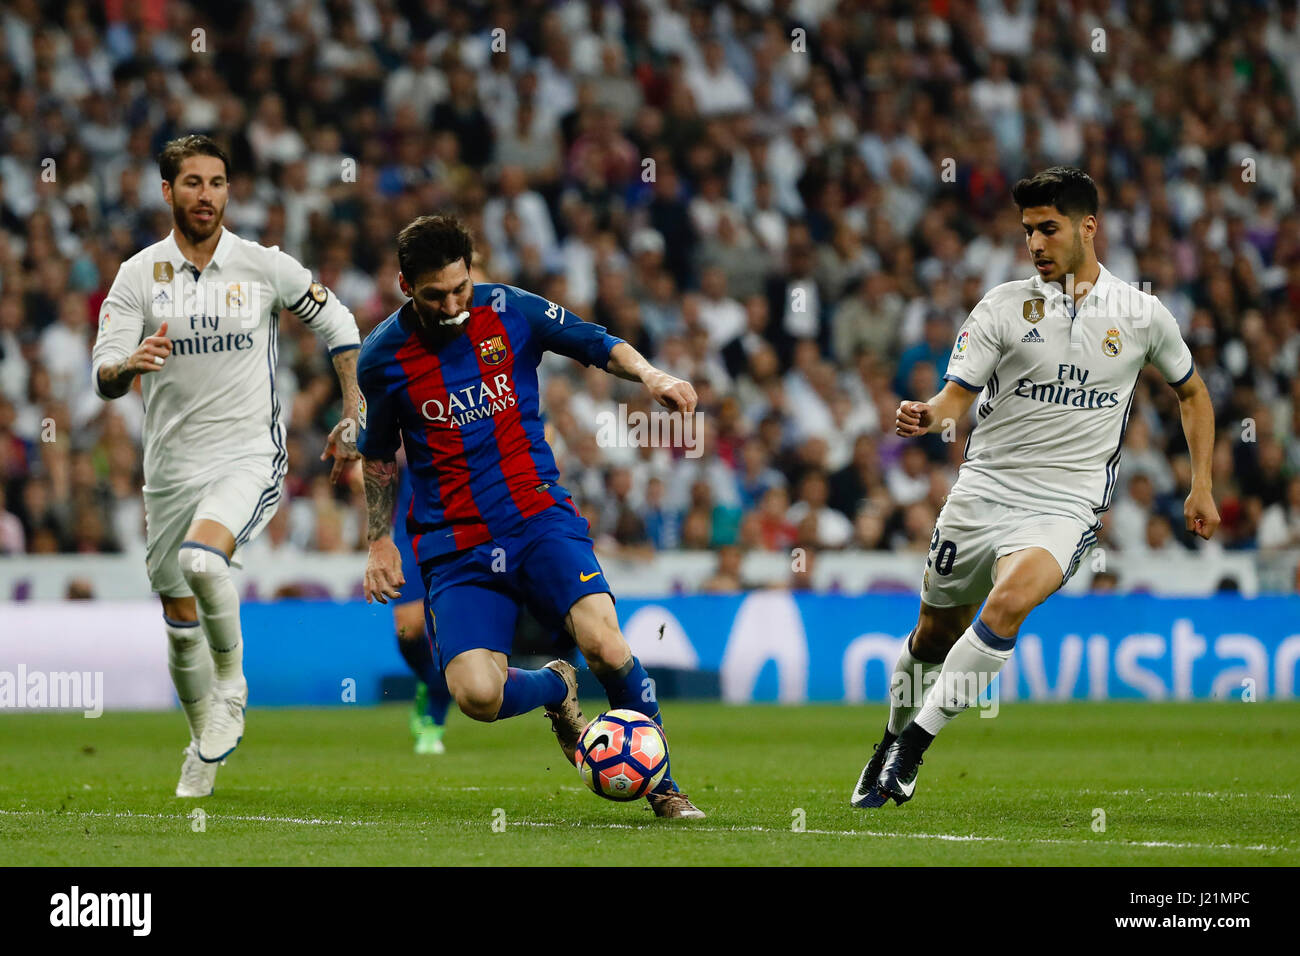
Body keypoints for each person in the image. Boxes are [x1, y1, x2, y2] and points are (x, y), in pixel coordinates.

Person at [850, 167, 1219, 808]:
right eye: (1027, 232)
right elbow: (955, 397)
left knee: (1009, 603)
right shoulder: (1001, 306)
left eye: (1048, 229)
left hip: (1066, 504)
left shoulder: (1140, 315)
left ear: (1088, 227)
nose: (1036, 244)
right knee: (933, 637)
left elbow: (1192, 393)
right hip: (984, 490)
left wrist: (1202, 485)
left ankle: (911, 752)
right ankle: (888, 737)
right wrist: (929, 415)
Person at [357, 214, 704, 818]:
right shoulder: (382, 358)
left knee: (603, 641)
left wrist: (651, 373)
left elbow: (595, 341)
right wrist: (378, 541)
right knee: (477, 695)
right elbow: (379, 455)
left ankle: (665, 788)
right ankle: (555, 688)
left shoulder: (510, 309)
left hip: (537, 514)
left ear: (472, 269)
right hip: (454, 542)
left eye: (460, 288)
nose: (452, 305)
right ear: (405, 286)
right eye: (434, 295)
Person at [91, 135, 361, 797]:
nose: (205, 195)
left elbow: (341, 324)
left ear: (228, 190)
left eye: (216, 183)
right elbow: (104, 375)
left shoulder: (263, 266)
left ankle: (233, 690)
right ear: (167, 192)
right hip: (170, 472)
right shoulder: (138, 276)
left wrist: (353, 411)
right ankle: (200, 746)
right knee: (180, 629)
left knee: (204, 562)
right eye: (191, 183)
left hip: (247, 457)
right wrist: (127, 367)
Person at [391, 463, 453, 754]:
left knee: (447, 633)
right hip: (411, 528)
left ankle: (433, 723)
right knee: (407, 628)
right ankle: (429, 680)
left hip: (460, 524)